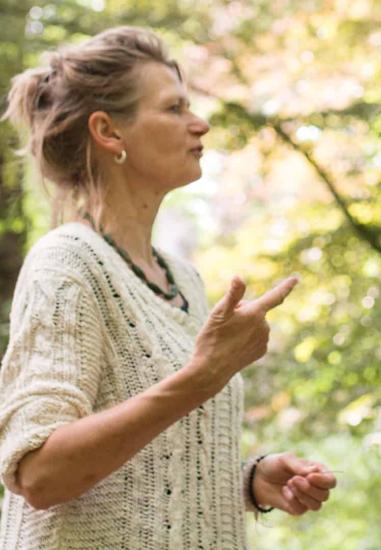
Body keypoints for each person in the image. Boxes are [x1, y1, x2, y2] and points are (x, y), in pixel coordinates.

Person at [0, 27, 336, 548]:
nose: (199, 123)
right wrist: (204, 376)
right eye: (174, 109)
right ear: (109, 132)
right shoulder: (66, 264)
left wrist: (247, 481)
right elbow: (40, 474)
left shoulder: (184, 280)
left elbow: (153, 459)